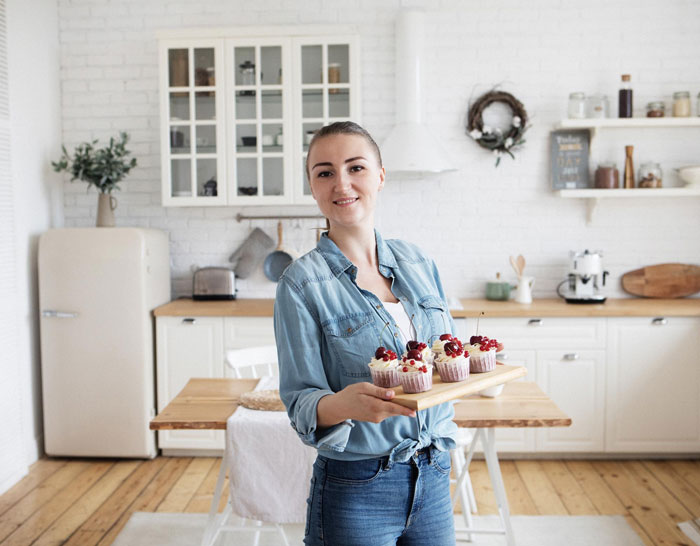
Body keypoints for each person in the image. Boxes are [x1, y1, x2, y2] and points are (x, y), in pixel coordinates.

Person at [274, 121, 458, 546]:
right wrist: (342, 404)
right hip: (357, 486)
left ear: (380, 175)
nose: (342, 183)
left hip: (433, 473)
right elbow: (301, 403)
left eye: (355, 167)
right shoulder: (300, 284)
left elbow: (446, 356)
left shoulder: (418, 262)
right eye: (324, 172)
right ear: (312, 186)